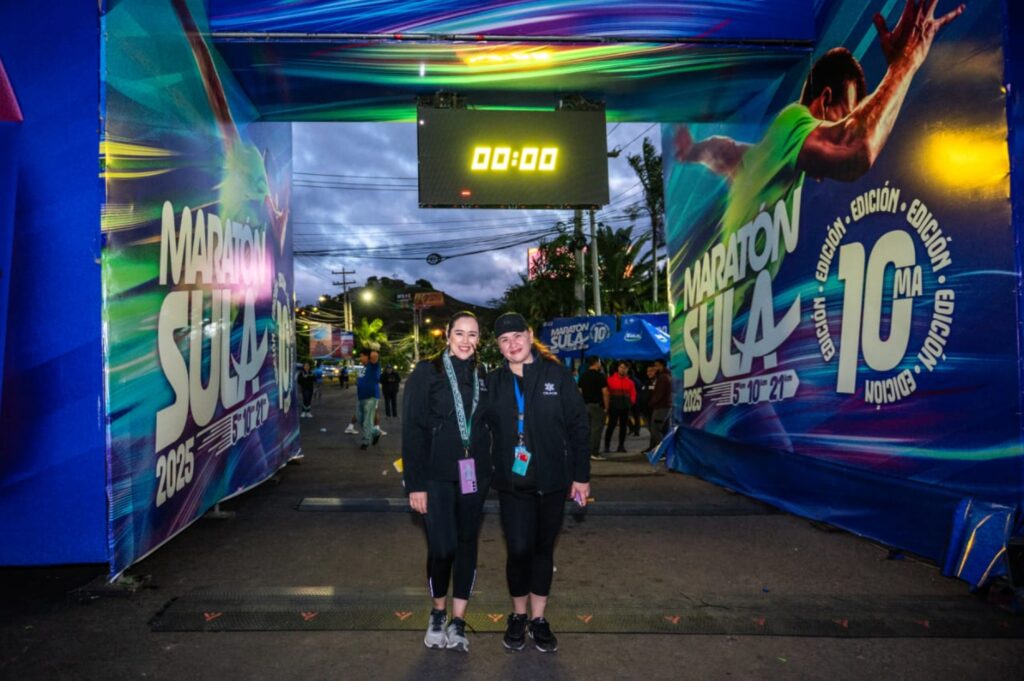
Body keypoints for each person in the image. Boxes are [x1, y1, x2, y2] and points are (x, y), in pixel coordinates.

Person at [486, 312, 590, 653]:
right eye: (504, 340)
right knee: (518, 549)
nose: (512, 344)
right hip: (512, 483)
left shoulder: (556, 375)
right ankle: (518, 615)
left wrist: (581, 476)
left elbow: (578, 427)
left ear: (530, 336)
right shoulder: (492, 382)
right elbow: (472, 426)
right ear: (499, 347)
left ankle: (539, 619)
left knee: (543, 550)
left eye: (517, 336)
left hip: (552, 482)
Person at [402, 312, 491, 653]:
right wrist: (415, 484)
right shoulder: (428, 372)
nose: (466, 340)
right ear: (448, 336)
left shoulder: (484, 374)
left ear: (479, 339)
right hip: (436, 477)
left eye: (472, 334)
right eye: (459, 333)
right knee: (443, 547)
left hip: (473, 476)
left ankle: (457, 621)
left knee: (467, 544)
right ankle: (437, 612)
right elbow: (412, 430)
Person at [577, 356, 609, 461]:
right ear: (596, 363)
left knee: (587, 430)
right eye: (599, 362)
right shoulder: (600, 376)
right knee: (596, 430)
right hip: (597, 406)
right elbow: (605, 392)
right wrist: (606, 407)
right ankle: (594, 452)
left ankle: (585, 451)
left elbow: (579, 391)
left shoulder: (583, 376)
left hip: (585, 406)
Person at [604, 360, 636, 454]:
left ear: (627, 369)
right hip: (613, 407)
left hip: (625, 407)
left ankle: (621, 446)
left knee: (623, 427)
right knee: (611, 426)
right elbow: (606, 392)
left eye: (625, 368)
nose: (622, 369)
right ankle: (607, 446)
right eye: (621, 367)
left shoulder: (630, 382)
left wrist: (631, 402)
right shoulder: (610, 380)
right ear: (618, 368)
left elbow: (633, 393)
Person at [355, 348, 383, 450]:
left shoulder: (373, 366)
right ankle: (375, 433)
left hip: (370, 397)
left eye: (362, 355)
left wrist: (373, 348)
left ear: (368, 356)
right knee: (359, 418)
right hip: (361, 397)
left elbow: (375, 356)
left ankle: (365, 441)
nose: (360, 357)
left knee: (367, 421)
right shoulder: (363, 368)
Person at [646, 358, 672, 453]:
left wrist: (651, 403)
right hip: (666, 407)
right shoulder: (668, 376)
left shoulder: (662, 378)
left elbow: (658, 395)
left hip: (661, 408)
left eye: (656, 365)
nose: (655, 368)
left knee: (655, 429)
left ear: (661, 366)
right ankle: (665, 452)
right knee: (663, 430)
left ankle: (662, 451)